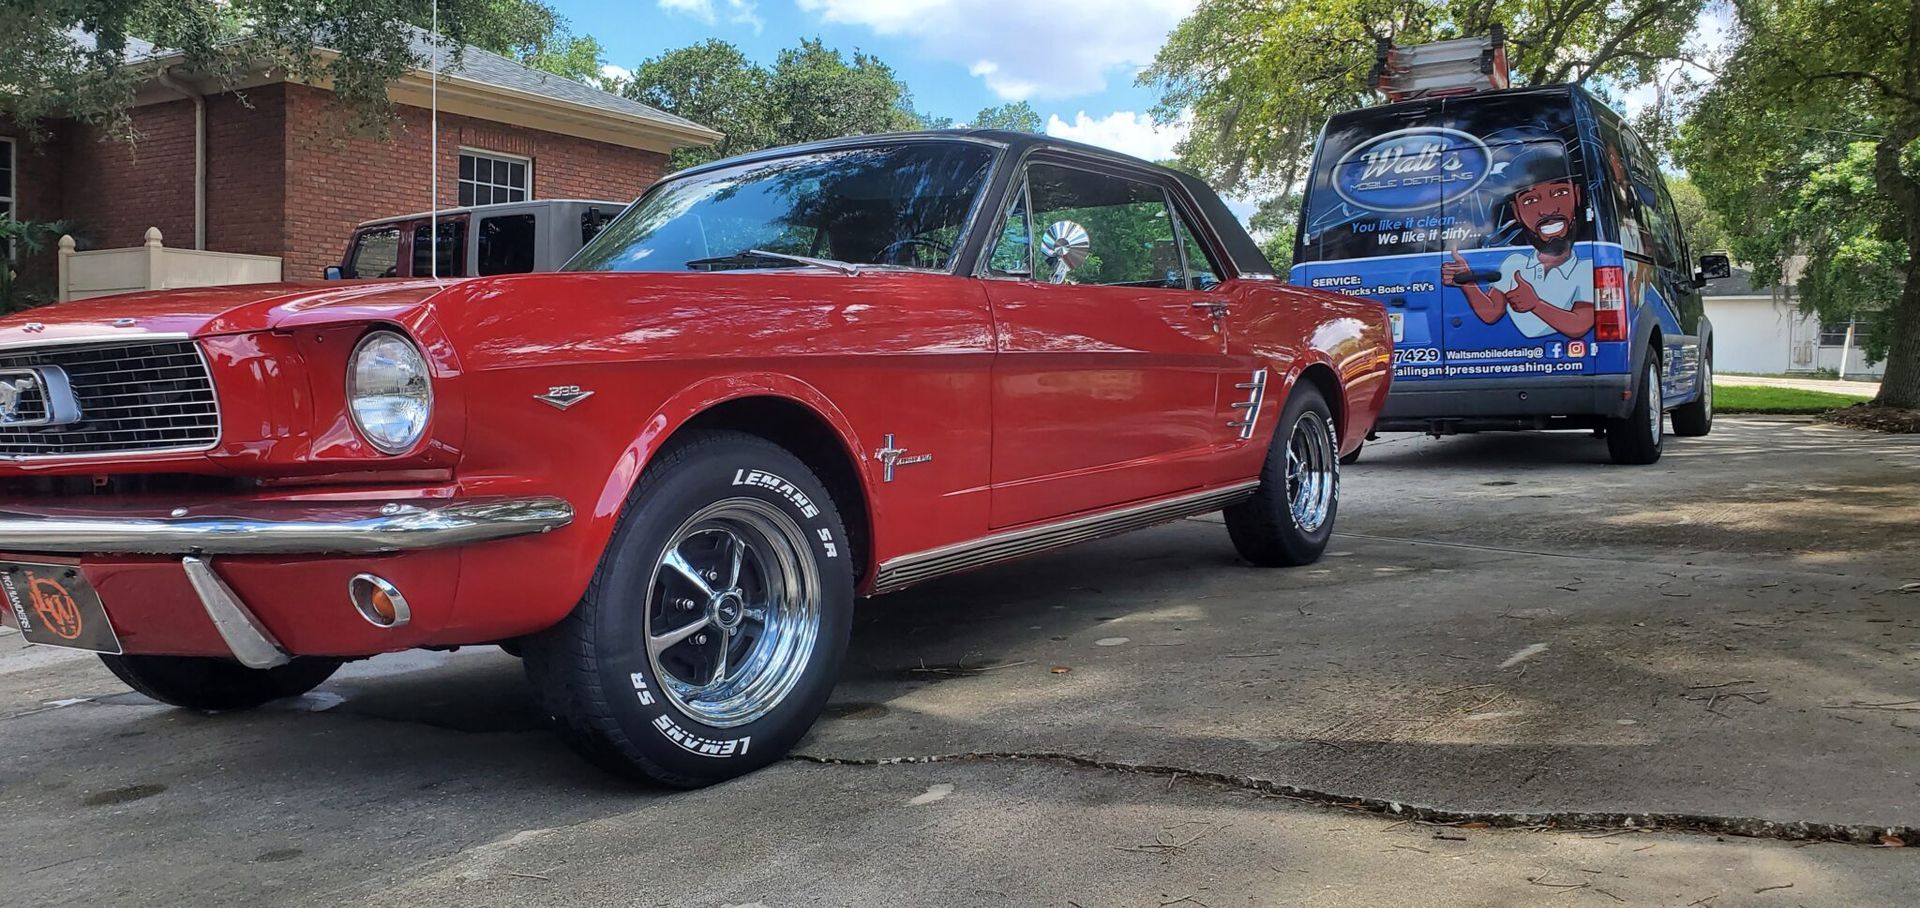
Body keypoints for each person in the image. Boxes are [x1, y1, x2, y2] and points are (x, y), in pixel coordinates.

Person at [1440, 145, 1596, 339]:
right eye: (1531, 200)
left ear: (1578, 195)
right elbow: (1492, 313)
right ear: (1516, 211)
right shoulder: (1513, 263)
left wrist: (1535, 305)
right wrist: (1466, 281)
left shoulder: (1587, 267)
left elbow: (1580, 324)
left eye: (1560, 193)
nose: (1547, 210)